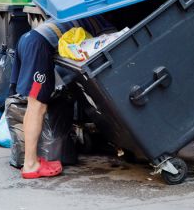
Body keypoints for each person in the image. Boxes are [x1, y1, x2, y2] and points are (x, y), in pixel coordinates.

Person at [10, 12, 116, 179]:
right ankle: (30, 165)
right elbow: (113, 42)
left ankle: (31, 160)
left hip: (28, 39)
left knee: (33, 104)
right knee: (37, 106)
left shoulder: (77, 9)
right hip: (38, 46)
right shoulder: (98, 19)